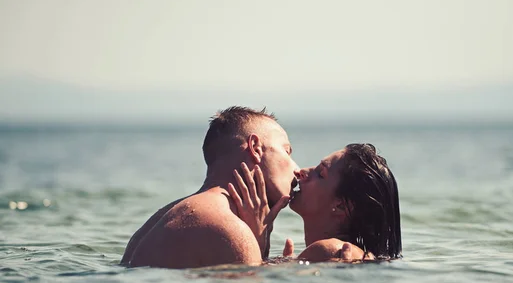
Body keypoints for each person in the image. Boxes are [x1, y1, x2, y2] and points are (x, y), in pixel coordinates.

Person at [120, 106, 298, 269]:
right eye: (286, 151)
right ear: (256, 148)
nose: (297, 170)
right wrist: (255, 246)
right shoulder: (230, 230)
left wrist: (259, 243)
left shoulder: (156, 222)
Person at [229, 143, 402, 262]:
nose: (301, 171)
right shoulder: (331, 252)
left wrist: (256, 238)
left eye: (320, 174)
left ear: (341, 206)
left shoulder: (327, 250)